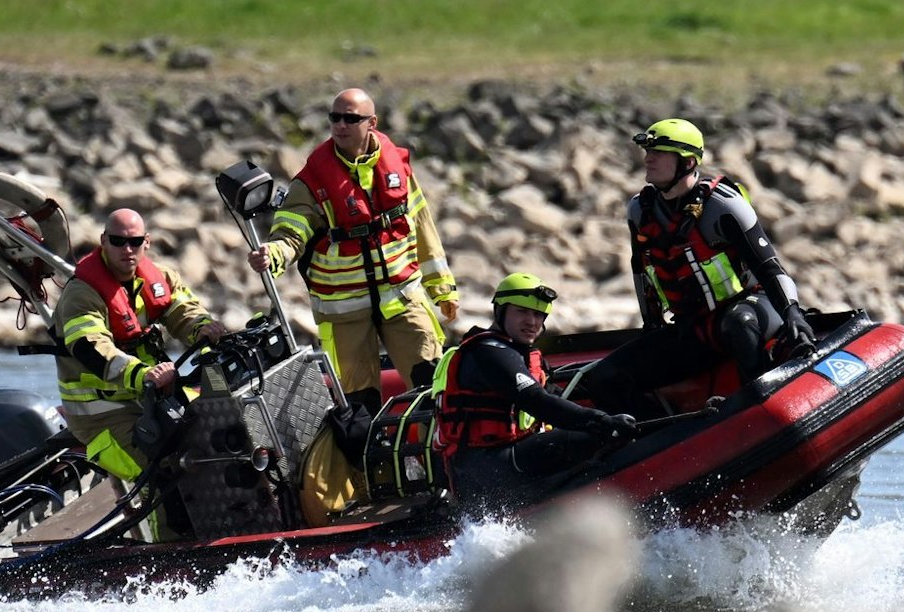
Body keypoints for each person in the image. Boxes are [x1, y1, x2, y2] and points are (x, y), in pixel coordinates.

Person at [576, 117, 818, 418]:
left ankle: (763, 409)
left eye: (659, 153)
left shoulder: (724, 206)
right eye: (647, 152)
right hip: (694, 328)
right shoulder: (639, 210)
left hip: (751, 310)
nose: (648, 159)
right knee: (606, 378)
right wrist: (651, 325)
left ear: (688, 162)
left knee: (739, 323)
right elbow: (641, 272)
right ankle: (658, 438)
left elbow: (769, 268)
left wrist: (792, 311)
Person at [249, 87, 458, 401]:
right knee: (359, 404)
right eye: (335, 118)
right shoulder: (313, 179)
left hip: (402, 297)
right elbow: (291, 233)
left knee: (434, 385)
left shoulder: (396, 168)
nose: (340, 125)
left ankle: (436, 447)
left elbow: (422, 225)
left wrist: (442, 288)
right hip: (345, 310)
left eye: (350, 118)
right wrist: (273, 255)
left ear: (371, 122)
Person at [432, 273, 638, 510]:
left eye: (539, 315)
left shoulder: (520, 353)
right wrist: (602, 421)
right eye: (522, 311)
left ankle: (582, 499)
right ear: (500, 310)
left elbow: (556, 397)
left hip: (505, 456)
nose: (532, 321)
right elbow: (534, 399)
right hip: (486, 465)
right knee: (601, 435)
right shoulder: (488, 352)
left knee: (592, 431)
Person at [50, 208, 226, 482]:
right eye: (118, 241)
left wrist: (202, 328)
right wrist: (143, 375)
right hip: (102, 415)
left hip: (149, 400)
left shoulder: (160, 279)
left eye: (134, 241)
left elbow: (184, 311)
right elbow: (91, 348)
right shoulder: (81, 294)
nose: (127, 249)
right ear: (104, 241)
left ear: (147, 242)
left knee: (216, 441)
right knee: (163, 477)